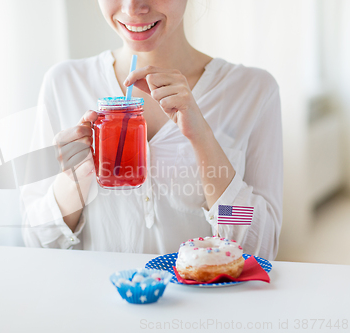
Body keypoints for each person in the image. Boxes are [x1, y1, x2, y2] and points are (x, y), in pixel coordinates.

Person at [20, 0, 282, 260]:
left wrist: (202, 139)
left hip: (205, 300)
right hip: (100, 299)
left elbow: (261, 246)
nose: (133, 7)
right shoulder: (65, 83)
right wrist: (76, 175)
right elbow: (38, 243)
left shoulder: (253, 90)